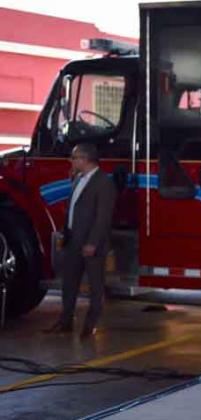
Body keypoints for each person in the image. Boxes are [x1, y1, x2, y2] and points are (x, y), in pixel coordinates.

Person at [45, 143, 116, 339]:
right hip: (73, 240)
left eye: (74, 158)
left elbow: (103, 218)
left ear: (85, 159)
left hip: (91, 244)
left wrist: (92, 242)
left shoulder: (104, 183)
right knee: (69, 283)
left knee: (95, 286)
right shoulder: (78, 179)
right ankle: (65, 321)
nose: (71, 161)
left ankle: (90, 326)